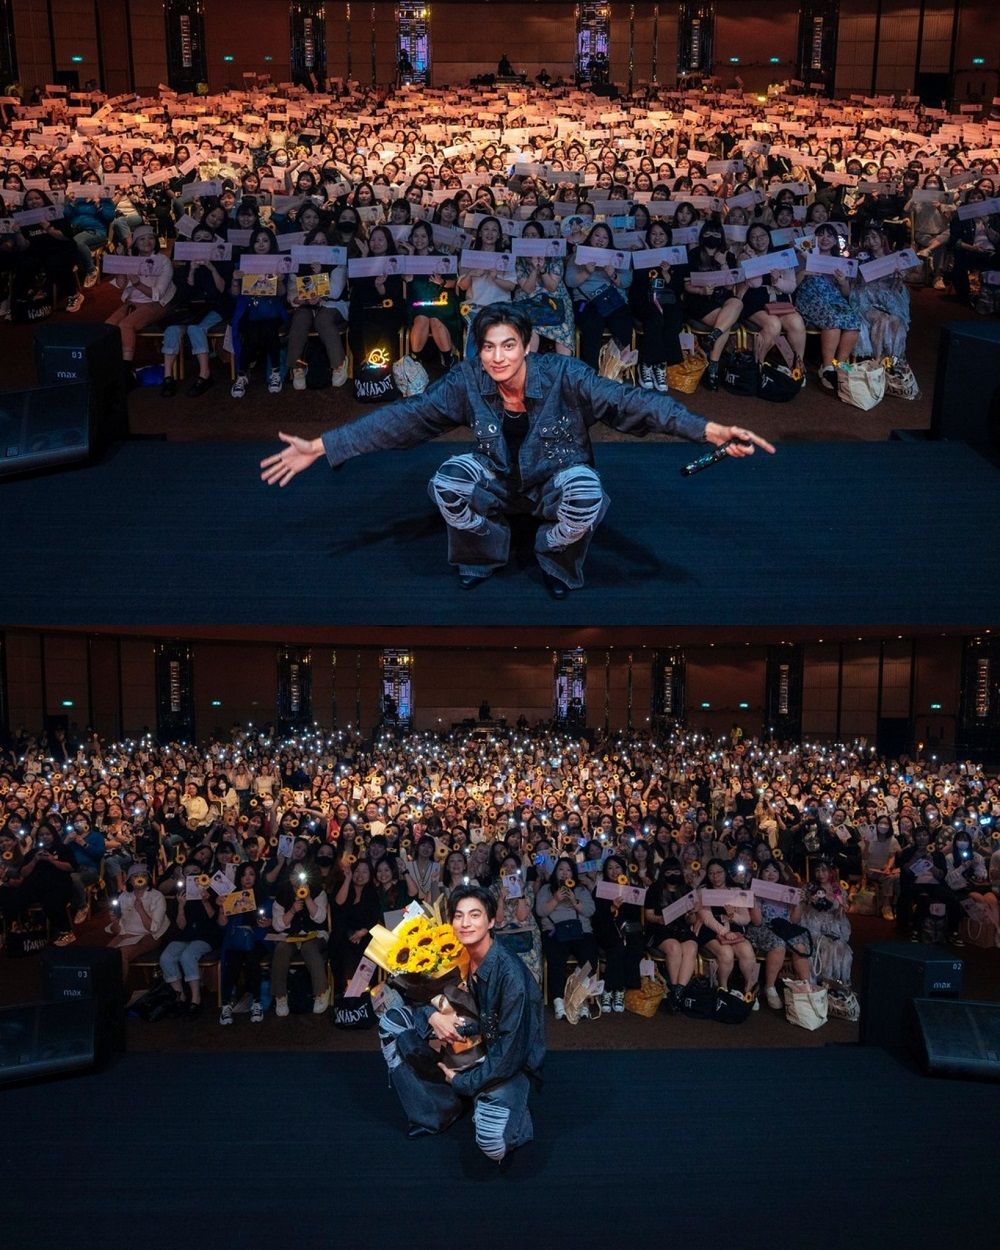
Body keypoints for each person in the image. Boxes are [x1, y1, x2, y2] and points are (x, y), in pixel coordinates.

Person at [260, 304, 774, 598]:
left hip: (556, 478)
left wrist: (706, 429)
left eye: (508, 345)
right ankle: (485, 551)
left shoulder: (565, 375)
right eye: (487, 346)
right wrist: (323, 445)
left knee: (586, 492)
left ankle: (554, 557)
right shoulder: (467, 379)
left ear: (527, 345)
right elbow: (408, 418)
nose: (497, 356)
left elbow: (632, 402)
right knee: (448, 481)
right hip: (497, 478)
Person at [377, 884, 544, 1167]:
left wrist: (463, 1082)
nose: (465, 923)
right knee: (391, 1022)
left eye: (475, 915)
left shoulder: (510, 975)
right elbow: (404, 995)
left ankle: (517, 1120)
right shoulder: (454, 954)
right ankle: (437, 1111)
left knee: (493, 1144)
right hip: (466, 1044)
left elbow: (510, 1051)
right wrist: (432, 1015)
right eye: (458, 915)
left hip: (505, 1062)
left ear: (491, 921)